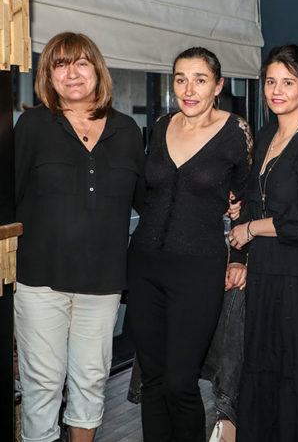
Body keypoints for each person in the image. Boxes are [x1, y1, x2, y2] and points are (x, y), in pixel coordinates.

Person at [14, 32, 145, 442]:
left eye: (81, 63)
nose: (72, 73)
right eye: (60, 64)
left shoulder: (127, 131)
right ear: (48, 76)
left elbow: (150, 201)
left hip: (102, 284)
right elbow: (8, 199)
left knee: (91, 381)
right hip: (39, 281)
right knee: (42, 386)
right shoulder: (32, 126)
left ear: (97, 70)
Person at [127, 47, 252, 442]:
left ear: (218, 85)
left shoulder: (236, 133)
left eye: (200, 80)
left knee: (180, 382)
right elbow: (147, 192)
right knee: (152, 380)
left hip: (199, 269)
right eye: (180, 79)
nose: (189, 89)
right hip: (145, 266)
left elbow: (247, 201)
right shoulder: (161, 126)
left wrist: (239, 256)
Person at [225, 44, 298, 441]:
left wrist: (251, 229)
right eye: (271, 82)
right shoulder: (266, 136)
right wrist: (241, 222)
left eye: (288, 83)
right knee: (260, 376)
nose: (277, 90)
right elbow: (254, 200)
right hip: (266, 277)